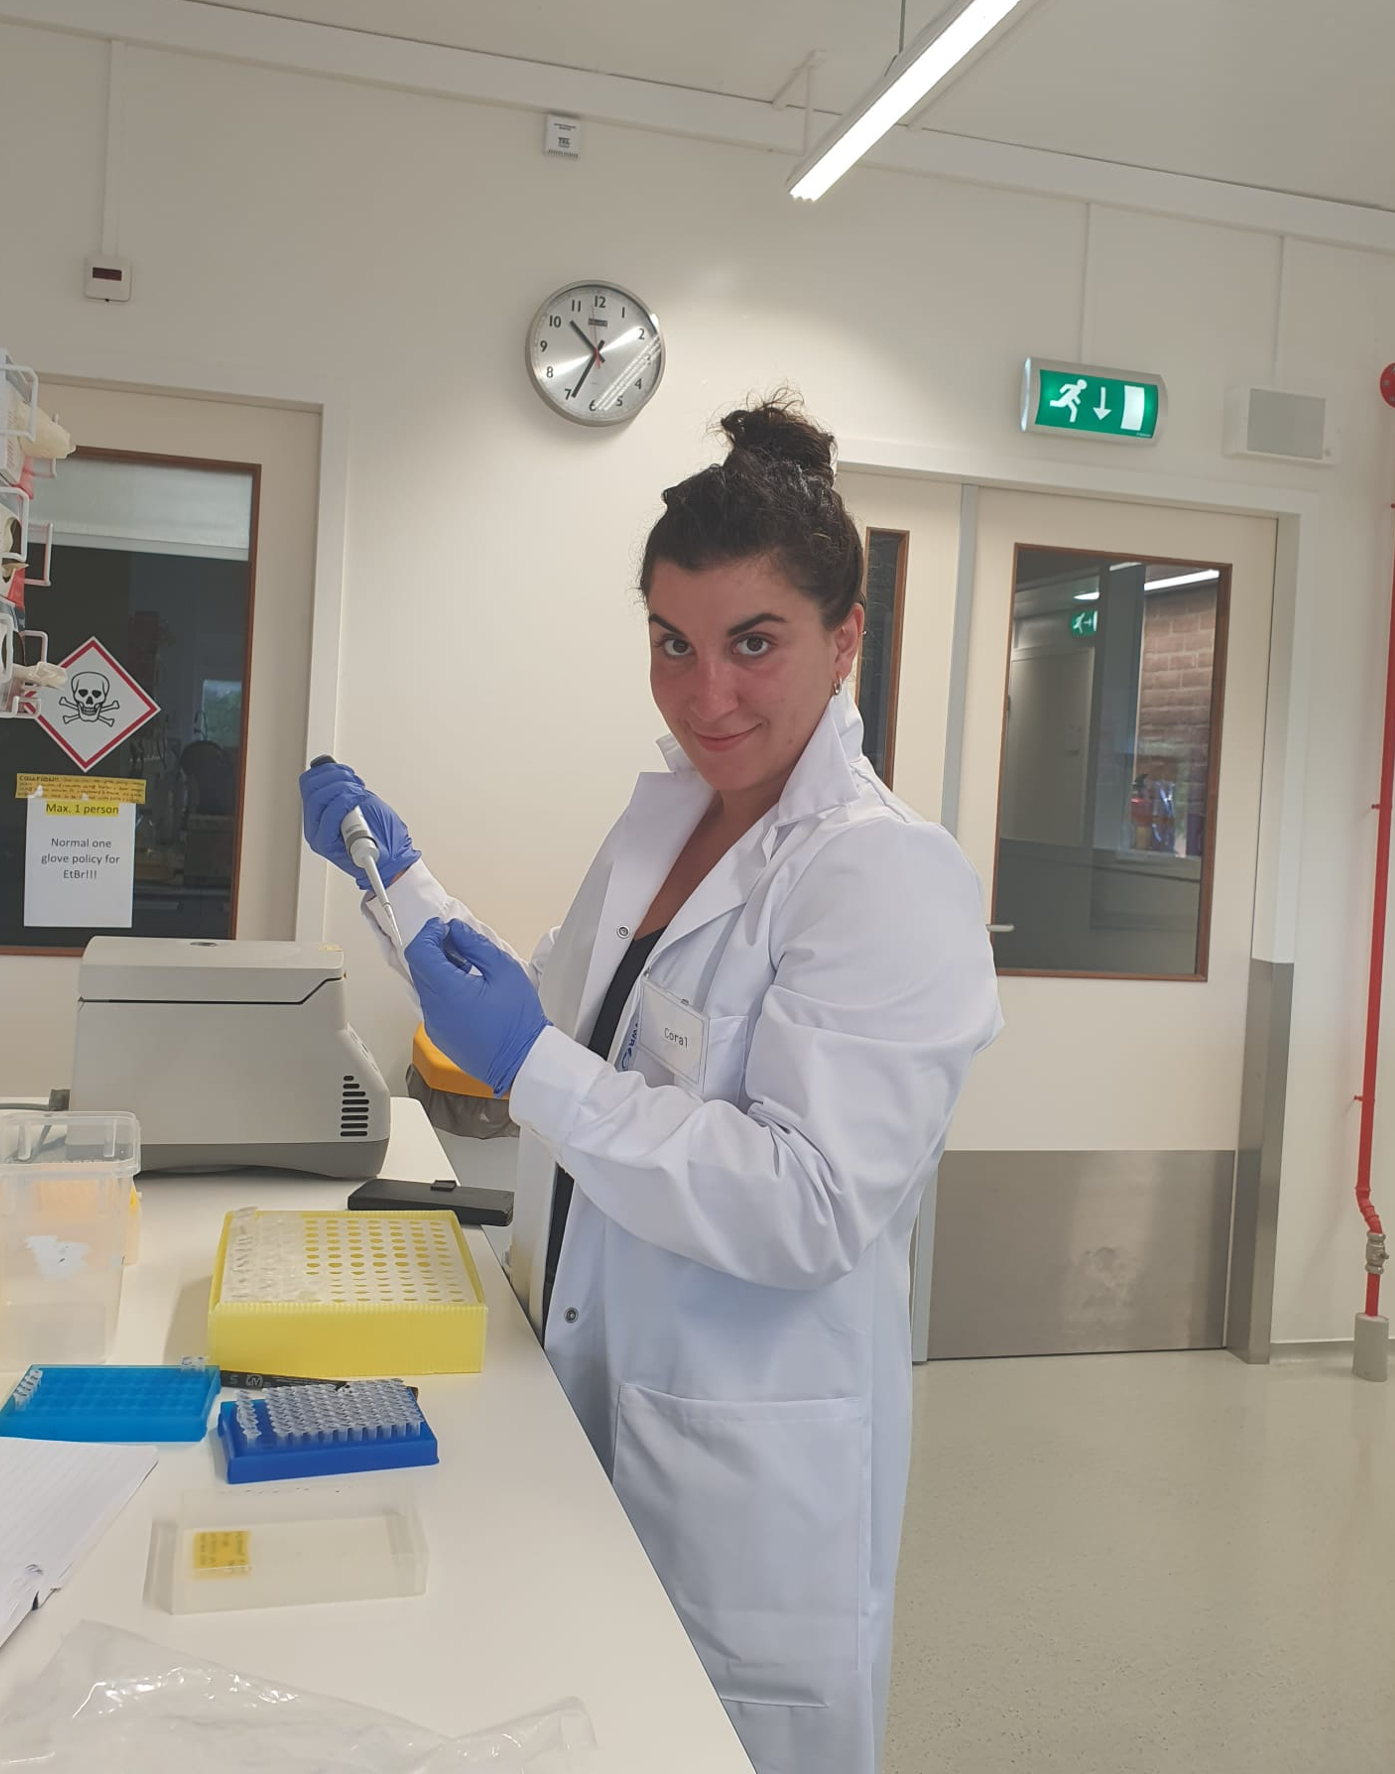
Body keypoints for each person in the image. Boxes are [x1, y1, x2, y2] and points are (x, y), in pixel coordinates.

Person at [300, 395, 1001, 1774]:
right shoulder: (667, 817)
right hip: (589, 1376)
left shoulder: (878, 874)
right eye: (672, 646)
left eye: (756, 644)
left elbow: (808, 1205)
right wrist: (399, 877)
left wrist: (536, 1065)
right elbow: (542, 1016)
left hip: (741, 1458)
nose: (705, 695)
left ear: (845, 639)